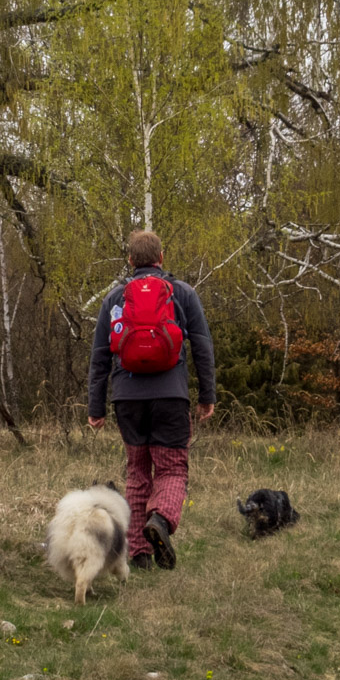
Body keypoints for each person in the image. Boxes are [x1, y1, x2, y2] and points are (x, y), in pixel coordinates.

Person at [87, 229, 216, 569]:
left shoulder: (114, 298)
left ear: (130, 261)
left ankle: (140, 554)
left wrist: (95, 407)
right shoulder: (183, 294)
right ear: (161, 258)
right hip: (171, 396)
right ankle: (161, 519)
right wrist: (207, 395)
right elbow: (202, 345)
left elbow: (100, 356)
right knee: (172, 469)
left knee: (138, 472)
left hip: (127, 398)